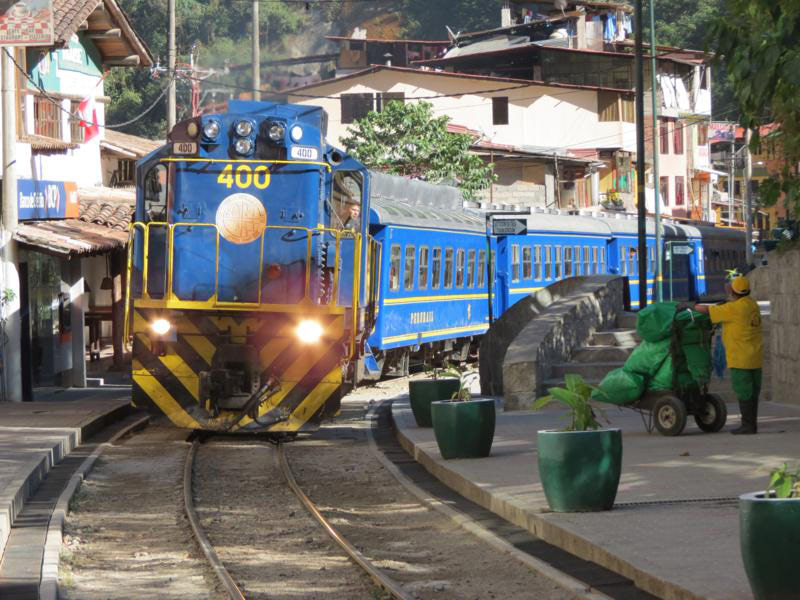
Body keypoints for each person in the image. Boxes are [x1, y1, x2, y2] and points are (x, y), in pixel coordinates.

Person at [692, 276, 763, 434]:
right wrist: (731, 293)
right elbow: (734, 301)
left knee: (744, 392)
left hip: (740, 358)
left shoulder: (734, 309)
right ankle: (752, 424)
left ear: (734, 292)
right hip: (755, 357)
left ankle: (748, 426)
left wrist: (691, 306)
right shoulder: (752, 304)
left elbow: (707, 310)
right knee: (752, 393)